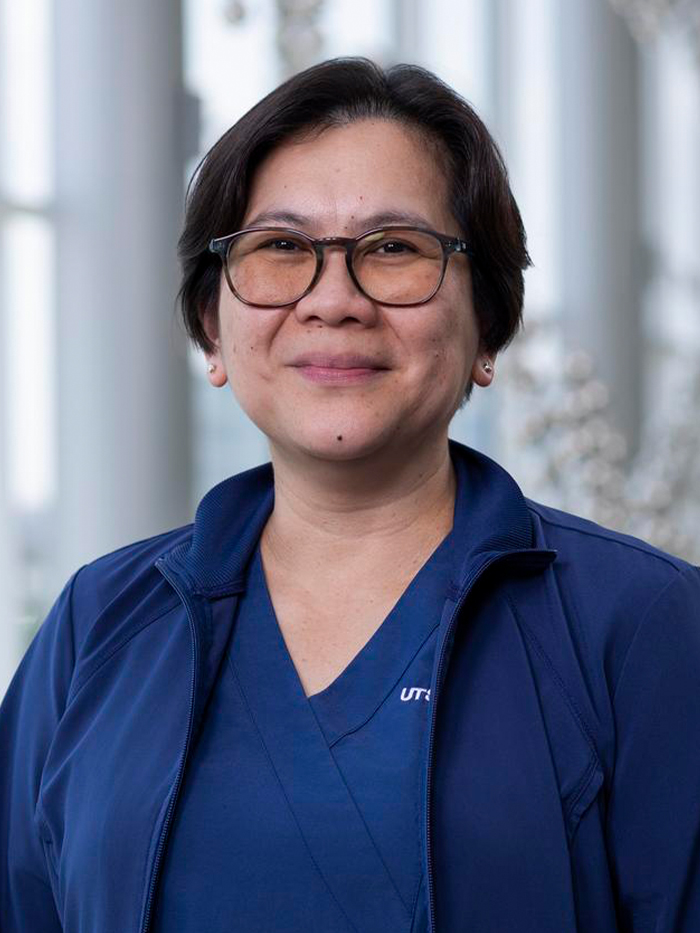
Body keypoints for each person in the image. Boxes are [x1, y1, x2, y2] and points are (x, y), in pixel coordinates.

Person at [1, 57, 699, 933]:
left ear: (488, 322)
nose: (334, 300)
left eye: (395, 248)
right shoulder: (97, 624)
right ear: (212, 327)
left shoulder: (644, 626)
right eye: (281, 247)